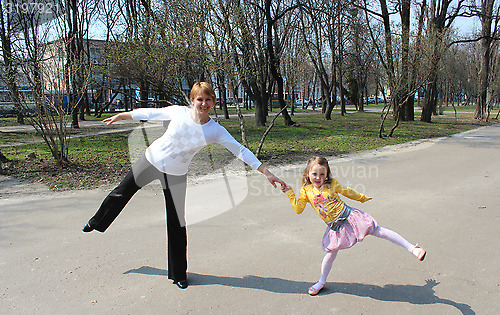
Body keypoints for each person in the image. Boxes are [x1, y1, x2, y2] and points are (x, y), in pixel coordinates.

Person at [83, 82, 286, 289]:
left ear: (213, 102)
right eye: (200, 99)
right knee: (121, 193)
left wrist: (267, 173)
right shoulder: (178, 113)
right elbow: (149, 113)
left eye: (208, 100)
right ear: (192, 101)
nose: (204, 103)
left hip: (176, 174)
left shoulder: (215, 130)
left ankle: (179, 274)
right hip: (151, 161)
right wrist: (122, 115)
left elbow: (240, 150)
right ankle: (95, 222)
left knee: (176, 223)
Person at [282, 156, 426, 296]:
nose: (318, 178)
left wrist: (362, 198)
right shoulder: (305, 190)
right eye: (314, 174)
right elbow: (298, 209)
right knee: (330, 253)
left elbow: (347, 191)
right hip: (335, 227)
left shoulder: (331, 184)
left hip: (350, 217)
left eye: (322, 174)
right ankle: (321, 282)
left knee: (378, 231)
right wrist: (290, 193)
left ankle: (414, 249)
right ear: (307, 174)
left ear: (327, 174)